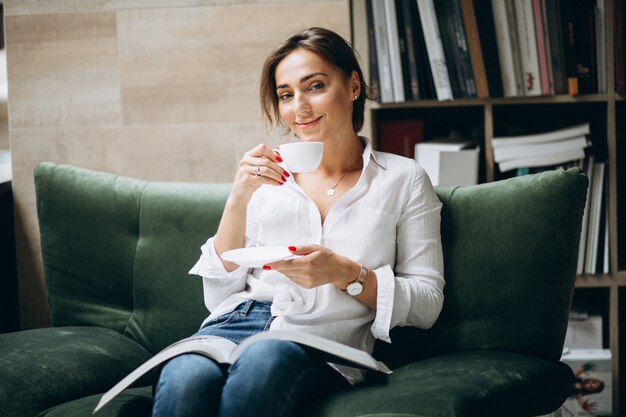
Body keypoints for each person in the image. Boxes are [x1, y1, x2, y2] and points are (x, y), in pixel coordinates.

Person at [151, 27, 445, 417]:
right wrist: (238, 197)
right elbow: (218, 298)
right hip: (236, 322)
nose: (299, 108)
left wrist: (346, 273)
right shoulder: (267, 179)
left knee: (263, 360)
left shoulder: (403, 179)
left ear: (353, 85)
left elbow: (427, 304)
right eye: (286, 94)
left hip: (321, 341)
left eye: (315, 86)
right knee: (186, 373)